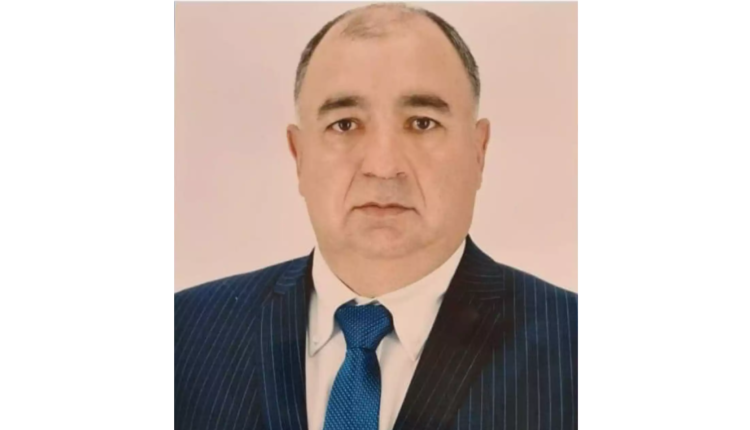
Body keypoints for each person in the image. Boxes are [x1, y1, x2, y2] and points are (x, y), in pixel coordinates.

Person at [175, 3, 577, 430]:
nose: (383, 167)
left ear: (479, 151)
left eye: (422, 123)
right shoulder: (182, 336)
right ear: (299, 155)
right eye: (345, 125)